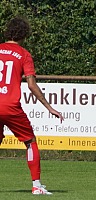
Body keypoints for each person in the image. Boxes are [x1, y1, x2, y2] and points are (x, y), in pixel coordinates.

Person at [0, 17, 64, 194]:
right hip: (10, 106)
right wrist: (50, 108)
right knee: (30, 142)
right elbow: (31, 85)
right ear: (24, 34)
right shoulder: (23, 54)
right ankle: (36, 185)